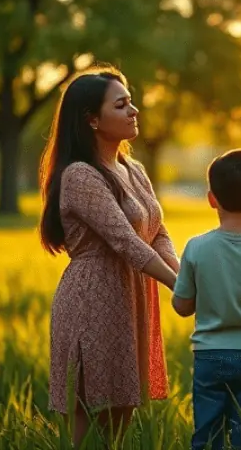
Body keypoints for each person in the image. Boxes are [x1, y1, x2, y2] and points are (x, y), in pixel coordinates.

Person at [38, 67, 179, 446]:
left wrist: (186, 278)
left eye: (131, 101)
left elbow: (156, 231)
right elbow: (124, 241)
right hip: (91, 301)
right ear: (93, 120)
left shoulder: (134, 170)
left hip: (131, 300)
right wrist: (178, 285)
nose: (134, 111)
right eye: (122, 105)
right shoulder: (80, 175)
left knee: (120, 420)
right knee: (85, 423)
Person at [171, 149, 241, 450]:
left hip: (210, 355)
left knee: (207, 435)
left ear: (211, 199)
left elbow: (181, 306)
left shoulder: (196, 248)